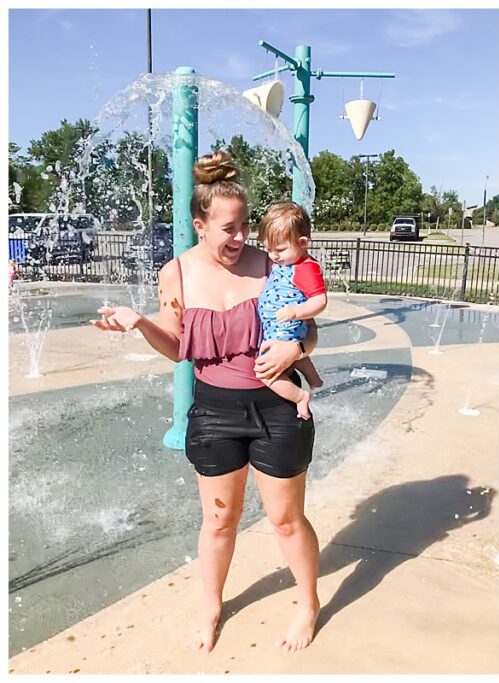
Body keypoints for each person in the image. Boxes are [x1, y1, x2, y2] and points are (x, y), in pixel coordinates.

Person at [92, 151, 321, 653]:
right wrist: (141, 323)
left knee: (286, 519)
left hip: (276, 407)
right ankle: (212, 605)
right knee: (219, 520)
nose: (242, 238)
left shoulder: (271, 265)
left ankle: (308, 602)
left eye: (244, 226)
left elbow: (308, 328)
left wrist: (296, 347)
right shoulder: (175, 273)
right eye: (229, 229)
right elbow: (178, 346)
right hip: (215, 411)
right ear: (200, 225)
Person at [256, 202, 328, 420]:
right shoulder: (287, 263)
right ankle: (314, 379)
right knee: (295, 357)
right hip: (280, 327)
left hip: (286, 327)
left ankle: (299, 397)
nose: (273, 255)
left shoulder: (305, 268)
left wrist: (296, 312)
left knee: (264, 372)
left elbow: (320, 300)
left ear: (303, 243)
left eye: (279, 249)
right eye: (268, 249)